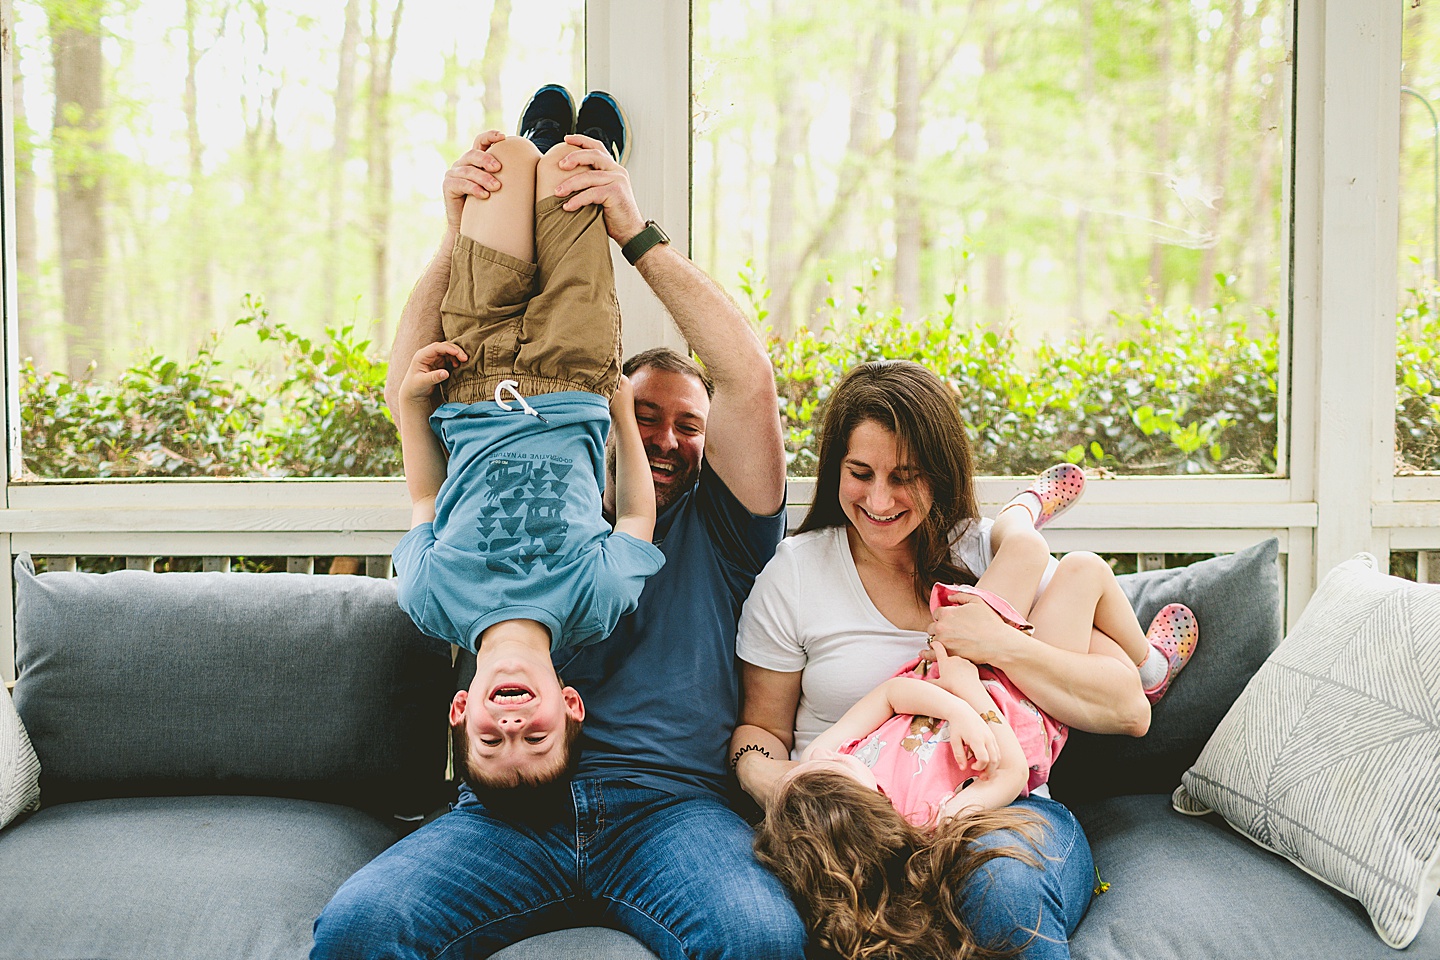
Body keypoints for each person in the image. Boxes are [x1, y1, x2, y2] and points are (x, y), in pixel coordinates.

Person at [311, 80, 804, 959]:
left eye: (688, 424)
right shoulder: (537, 494)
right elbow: (424, 387)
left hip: (671, 810)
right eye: (642, 413)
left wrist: (631, 228)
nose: (661, 437)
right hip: (505, 814)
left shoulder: (725, 530)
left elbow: (749, 380)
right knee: (360, 929)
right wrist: (456, 227)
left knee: (761, 936)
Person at [731, 359, 1160, 960]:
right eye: (860, 473)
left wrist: (1001, 646)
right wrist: (790, 788)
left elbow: (1128, 709)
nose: (879, 499)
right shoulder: (797, 574)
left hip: (996, 808)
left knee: (1002, 891)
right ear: (835, 472)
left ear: (939, 473)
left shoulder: (989, 554)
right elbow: (760, 730)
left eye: (904, 476)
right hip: (854, 832)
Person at [389, 83, 664, 796]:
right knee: (581, 174)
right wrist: (621, 407)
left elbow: (424, 491)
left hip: (472, 370)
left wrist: (413, 399)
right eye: (535, 738)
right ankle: (569, 163)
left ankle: (535, 155)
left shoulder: (431, 597)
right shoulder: (593, 604)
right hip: (575, 374)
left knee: (503, 159)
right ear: (569, 706)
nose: (512, 728)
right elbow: (635, 515)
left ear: (462, 709)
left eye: (490, 739)